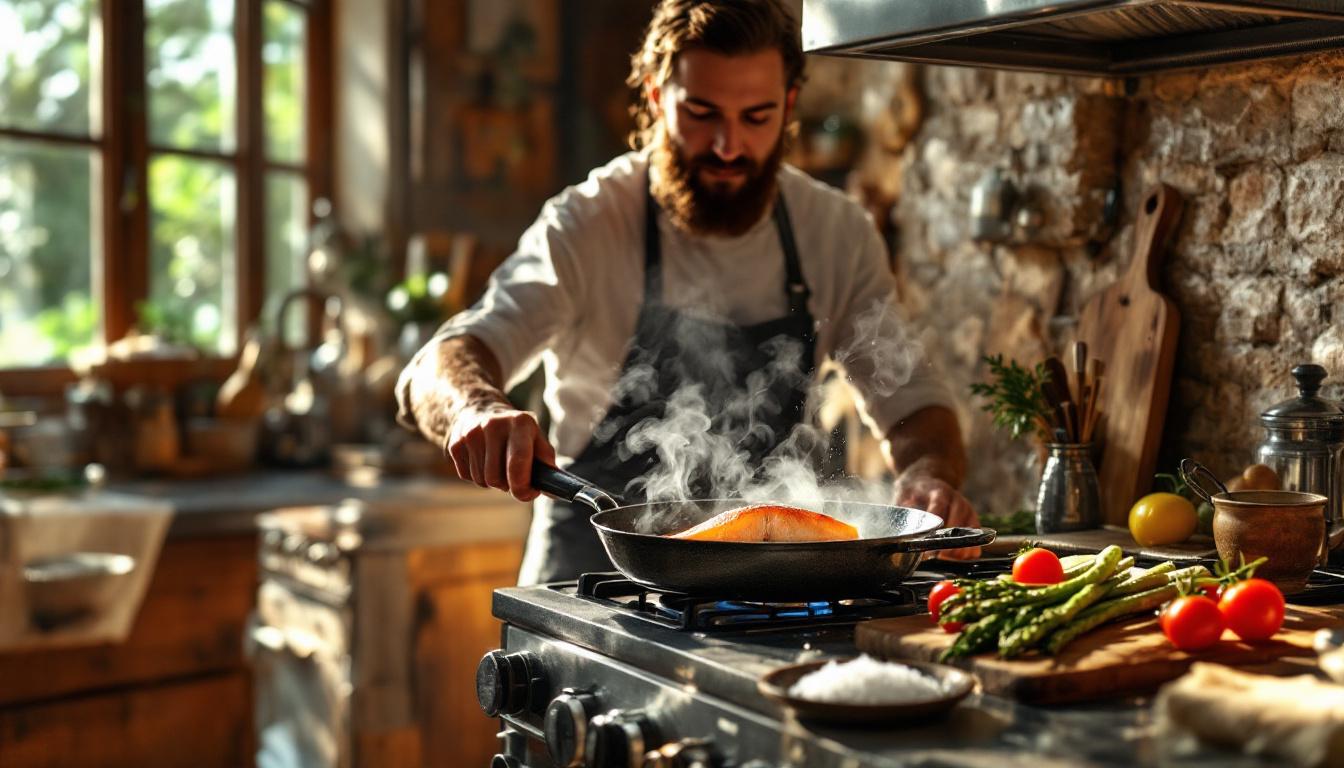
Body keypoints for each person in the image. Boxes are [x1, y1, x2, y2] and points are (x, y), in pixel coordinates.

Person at [397, 0, 979, 584]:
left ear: (790, 106)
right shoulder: (587, 224)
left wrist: (929, 475)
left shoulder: (836, 234)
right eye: (701, 113)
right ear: (655, 97)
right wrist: (475, 406)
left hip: (762, 596)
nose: (728, 146)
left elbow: (916, 404)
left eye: (757, 117)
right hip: (587, 586)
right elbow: (442, 362)